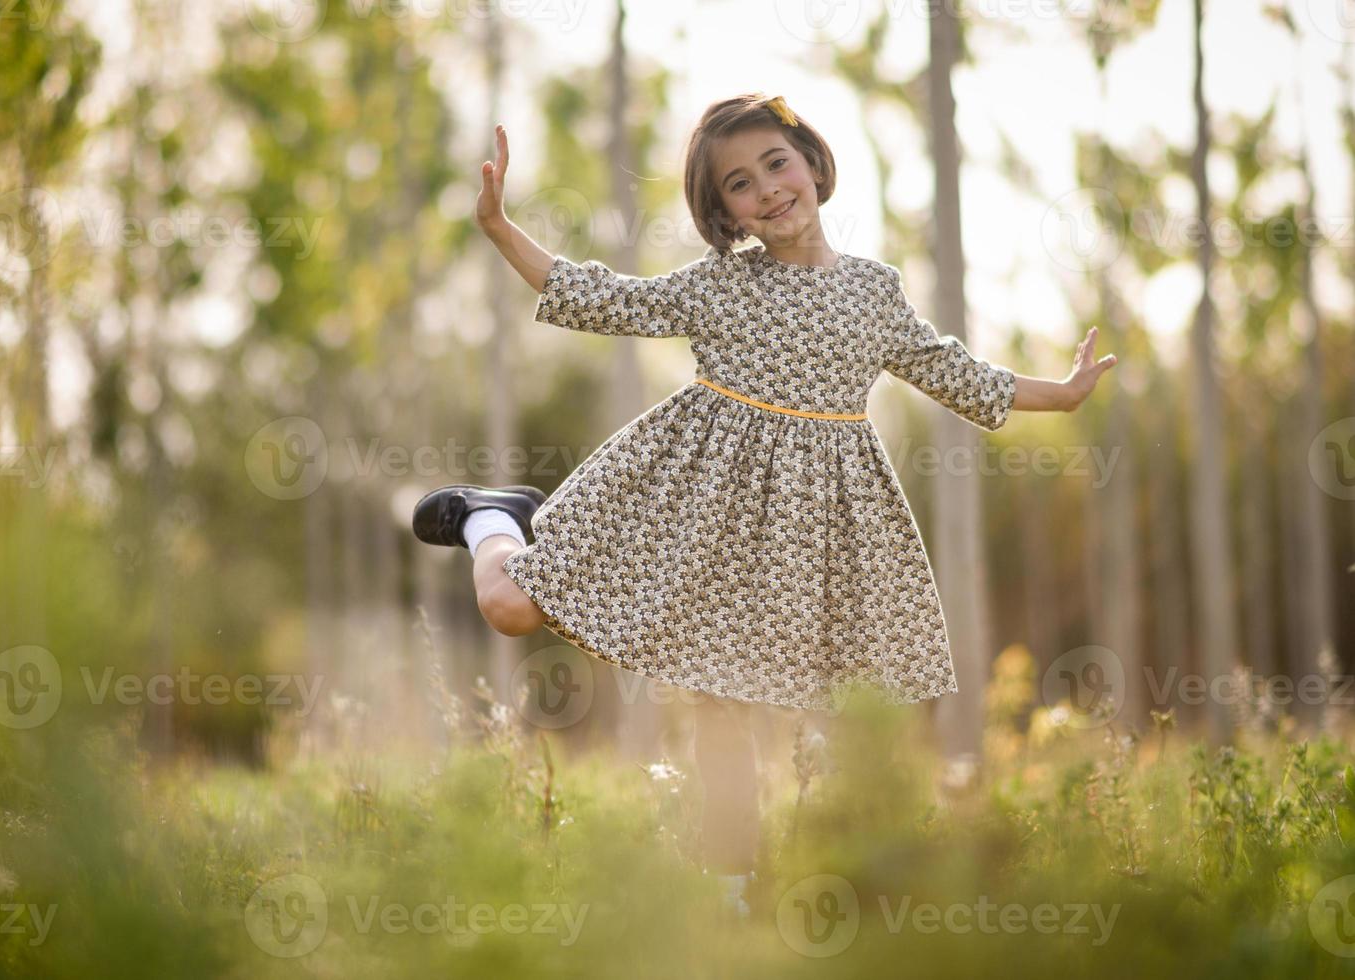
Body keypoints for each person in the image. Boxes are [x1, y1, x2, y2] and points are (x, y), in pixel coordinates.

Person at [411, 92, 1117, 919]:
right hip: (690, 510)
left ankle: (736, 892)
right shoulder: (718, 286)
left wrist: (1062, 396)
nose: (767, 189)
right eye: (739, 184)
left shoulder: (873, 291)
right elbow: (598, 296)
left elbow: (959, 375)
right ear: (724, 213)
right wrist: (499, 228)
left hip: (809, 538)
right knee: (507, 608)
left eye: (775, 163)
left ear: (812, 163)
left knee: (780, 713)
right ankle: (490, 518)